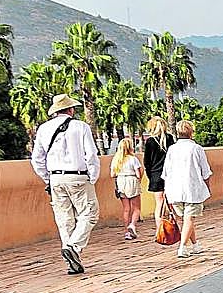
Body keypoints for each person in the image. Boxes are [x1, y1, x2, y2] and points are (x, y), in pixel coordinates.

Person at [31, 94, 101, 275]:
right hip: (78, 176)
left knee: (64, 219)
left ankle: (71, 260)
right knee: (89, 214)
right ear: (71, 109)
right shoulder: (81, 127)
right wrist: (93, 176)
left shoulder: (43, 129)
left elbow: (37, 159)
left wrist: (47, 178)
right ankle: (73, 247)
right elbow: (91, 154)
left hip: (55, 178)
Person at [161, 120, 212, 259]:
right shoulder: (196, 149)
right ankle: (182, 247)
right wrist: (207, 186)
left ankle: (195, 245)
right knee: (189, 218)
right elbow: (205, 171)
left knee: (186, 219)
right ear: (191, 132)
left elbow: (166, 172)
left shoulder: (172, 149)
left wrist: (166, 190)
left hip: (175, 190)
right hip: (192, 189)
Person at [111, 137, 143, 241]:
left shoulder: (116, 160)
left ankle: (127, 232)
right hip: (131, 180)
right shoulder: (133, 159)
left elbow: (112, 174)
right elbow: (138, 174)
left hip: (121, 181)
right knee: (136, 208)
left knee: (126, 209)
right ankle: (132, 225)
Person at [143, 116, 174, 220]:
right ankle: (171, 224)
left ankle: (159, 227)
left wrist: (150, 176)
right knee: (170, 202)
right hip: (169, 174)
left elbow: (147, 162)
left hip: (156, 175)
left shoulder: (150, 141)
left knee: (159, 203)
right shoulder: (170, 138)